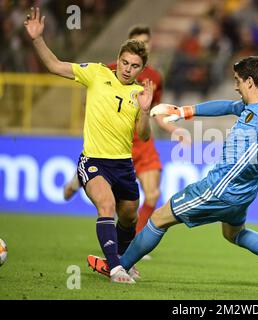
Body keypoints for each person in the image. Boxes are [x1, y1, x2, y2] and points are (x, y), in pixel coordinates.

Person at [88, 56, 258, 290]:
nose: (235, 86)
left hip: (218, 189)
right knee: (234, 234)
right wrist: (183, 111)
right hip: (244, 193)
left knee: (159, 218)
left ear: (249, 82)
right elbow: (226, 106)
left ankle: (118, 266)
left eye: (237, 81)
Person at [24, 7, 154, 283]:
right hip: (94, 160)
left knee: (129, 216)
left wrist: (144, 110)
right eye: (125, 62)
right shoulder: (96, 73)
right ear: (117, 59)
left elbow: (143, 136)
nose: (128, 69)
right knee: (105, 205)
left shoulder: (138, 92)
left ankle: (123, 260)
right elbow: (54, 65)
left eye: (135, 66)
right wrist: (37, 39)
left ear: (142, 69)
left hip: (123, 164)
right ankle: (116, 267)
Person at [63, 25, 190, 238]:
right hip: (113, 143)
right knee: (111, 204)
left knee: (153, 194)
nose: (143, 45)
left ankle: (135, 243)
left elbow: (153, 112)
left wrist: (173, 128)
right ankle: (81, 177)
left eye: (146, 43)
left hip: (141, 142)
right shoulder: (113, 69)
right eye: (139, 41)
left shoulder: (155, 78)